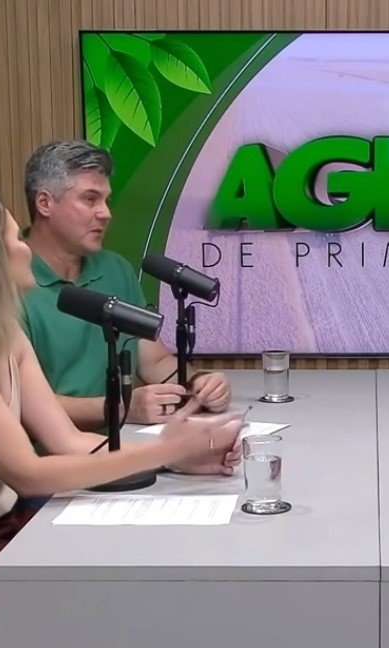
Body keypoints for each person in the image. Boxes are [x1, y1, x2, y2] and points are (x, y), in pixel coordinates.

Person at [0, 187, 243, 623]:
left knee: (133, 563)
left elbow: (69, 442)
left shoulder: (4, 335)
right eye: (14, 239)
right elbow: (27, 473)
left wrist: (175, 460)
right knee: (114, 596)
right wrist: (167, 448)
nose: (26, 247)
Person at [20, 140, 231, 430]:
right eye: (90, 199)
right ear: (45, 203)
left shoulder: (115, 268)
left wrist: (200, 384)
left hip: (127, 441)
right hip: (50, 451)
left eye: (106, 200)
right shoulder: (2, 282)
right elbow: (16, 403)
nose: (106, 213)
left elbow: (153, 361)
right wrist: (120, 408)